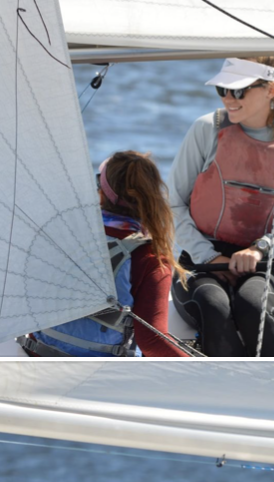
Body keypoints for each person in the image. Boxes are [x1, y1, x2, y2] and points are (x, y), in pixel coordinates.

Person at [168, 55, 274, 356]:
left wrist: (261, 249)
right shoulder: (205, 129)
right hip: (200, 260)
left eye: (239, 91)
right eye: (223, 90)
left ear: (270, 89)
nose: (228, 98)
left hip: (267, 264)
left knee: (252, 305)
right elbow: (172, 205)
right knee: (213, 305)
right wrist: (210, 256)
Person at [22, 152, 189, 357]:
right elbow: (152, 342)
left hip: (38, 355)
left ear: (102, 191)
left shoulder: (64, 232)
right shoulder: (150, 257)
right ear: (154, 194)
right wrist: (202, 370)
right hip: (96, 371)